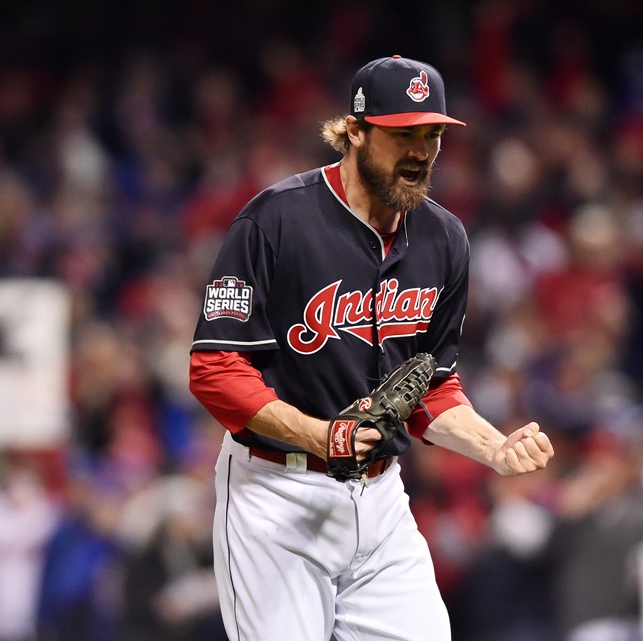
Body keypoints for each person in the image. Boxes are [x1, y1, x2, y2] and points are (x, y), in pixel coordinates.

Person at [187, 55, 555, 641]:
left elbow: (431, 386)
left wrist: (494, 446)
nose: (421, 151)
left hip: (381, 499)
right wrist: (319, 434)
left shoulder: (444, 238)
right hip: (278, 498)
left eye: (432, 134)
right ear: (354, 131)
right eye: (403, 134)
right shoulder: (275, 222)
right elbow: (215, 370)